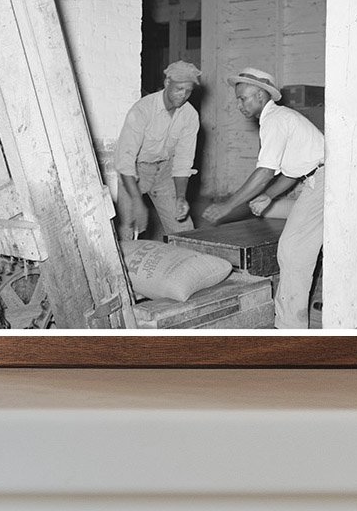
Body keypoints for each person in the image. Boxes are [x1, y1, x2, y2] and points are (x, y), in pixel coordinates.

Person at [201, 67, 324, 329]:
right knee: (280, 224)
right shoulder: (279, 118)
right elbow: (294, 171)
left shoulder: (275, 120)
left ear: (259, 95)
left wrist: (227, 205)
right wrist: (267, 196)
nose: (238, 105)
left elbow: (264, 172)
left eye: (243, 98)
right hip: (315, 179)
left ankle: (289, 327)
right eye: (237, 99)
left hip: (325, 183)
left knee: (292, 251)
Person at [114, 60, 202, 240]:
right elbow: (124, 160)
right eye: (179, 89)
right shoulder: (142, 110)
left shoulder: (190, 116)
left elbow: (183, 162)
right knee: (128, 228)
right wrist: (138, 202)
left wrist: (181, 197)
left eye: (189, 91)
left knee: (185, 230)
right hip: (136, 171)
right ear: (167, 83)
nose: (184, 95)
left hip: (165, 172)